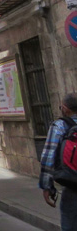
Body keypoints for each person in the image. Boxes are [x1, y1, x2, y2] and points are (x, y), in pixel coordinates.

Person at [39, 93, 77, 230]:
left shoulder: (59, 126)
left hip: (73, 183)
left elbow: (48, 157)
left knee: (71, 223)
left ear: (66, 109)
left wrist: (47, 186)